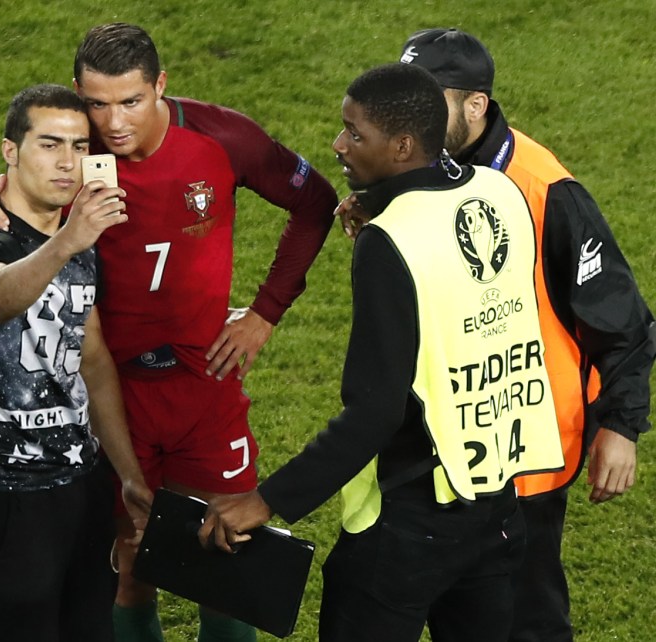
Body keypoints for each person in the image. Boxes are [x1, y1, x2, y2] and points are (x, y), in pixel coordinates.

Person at [0, 23, 339, 642]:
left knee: (227, 554)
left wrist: (266, 311)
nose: (112, 122)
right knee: (127, 563)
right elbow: (14, 214)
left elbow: (315, 201)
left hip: (202, 385)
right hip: (112, 393)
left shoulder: (221, 138)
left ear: (160, 85)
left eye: (131, 101)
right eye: (97, 103)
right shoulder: (73, 158)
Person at [200, 62, 571, 642]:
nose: (338, 144)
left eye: (354, 132)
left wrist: (265, 501)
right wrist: (382, 199)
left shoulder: (388, 242)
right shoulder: (501, 192)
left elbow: (376, 410)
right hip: (497, 507)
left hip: (408, 520)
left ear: (401, 145)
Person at [385, 29, 656, 642]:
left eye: (426, 101)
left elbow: (623, 320)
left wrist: (619, 427)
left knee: (524, 621)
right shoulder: (421, 163)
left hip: (524, 452)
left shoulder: (544, 189)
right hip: (440, 443)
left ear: (475, 106)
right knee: (453, 614)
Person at [0, 84, 154, 641]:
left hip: (82, 486)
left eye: (81, 148)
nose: (67, 163)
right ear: (10, 152)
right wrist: (66, 242)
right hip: (7, 494)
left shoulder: (80, 240)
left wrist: (127, 474)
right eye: (49, 144)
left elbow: (94, 360)